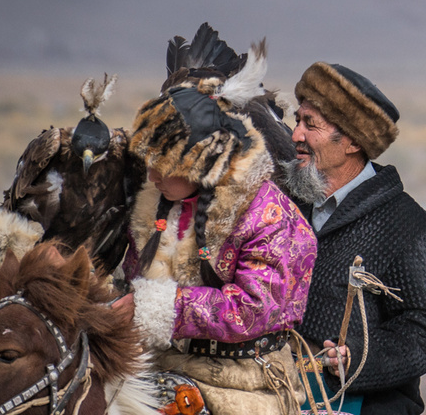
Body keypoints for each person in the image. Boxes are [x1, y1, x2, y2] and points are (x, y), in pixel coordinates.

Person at [124, 67, 318, 415]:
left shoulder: (270, 217)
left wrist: (156, 306)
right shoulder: (156, 206)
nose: (151, 177)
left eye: (163, 165)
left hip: (246, 383)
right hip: (156, 368)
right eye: (148, 164)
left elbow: (253, 308)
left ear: (202, 164)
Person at [288, 63, 426, 415]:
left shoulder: (408, 226)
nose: (296, 135)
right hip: (282, 395)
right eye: (296, 120)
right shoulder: (284, 208)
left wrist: (356, 357)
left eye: (309, 124)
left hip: (365, 405)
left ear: (353, 141)